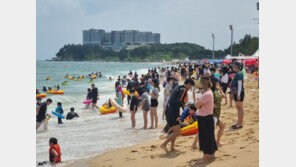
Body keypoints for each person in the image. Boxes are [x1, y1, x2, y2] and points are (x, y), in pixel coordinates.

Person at [160, 78, 194, 153]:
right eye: (191, 86)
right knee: (177, 132)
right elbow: (177, 102)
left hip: (169, 110)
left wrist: (183, 107)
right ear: (188, 84)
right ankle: (164, 144)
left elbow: (177, 101)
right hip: (173, 112)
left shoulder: (178, 87)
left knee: (174, 130)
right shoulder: (184, 90)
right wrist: (178, 115)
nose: (190, 88)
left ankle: (172, 147)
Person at [192, 76, 217, 164]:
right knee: (210, 136)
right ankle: (212, 154)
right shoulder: (208, 92)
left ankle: (205, 157)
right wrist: (199, 101)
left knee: (204, 137)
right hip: (208, 117)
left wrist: (198, 101)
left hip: (204, 118)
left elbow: (196, 105)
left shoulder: (206, 94)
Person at [230, 62, 245, 129]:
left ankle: (240, 123)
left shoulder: (239, 74)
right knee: (238, 108)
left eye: (233, 67)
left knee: (240, 108)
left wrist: (238, 94)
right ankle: (238, 123)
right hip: (237, 92)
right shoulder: (238, 73)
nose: (232, 68)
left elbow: (240, 85)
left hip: (239, 92)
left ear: (236, 67)